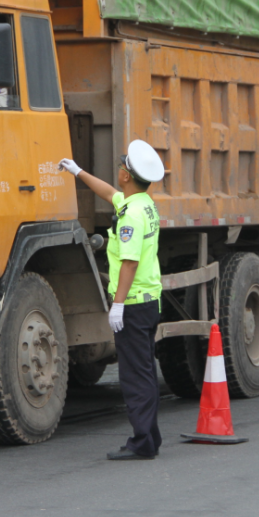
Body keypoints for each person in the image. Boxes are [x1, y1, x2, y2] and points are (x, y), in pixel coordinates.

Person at [58, 140, 165, 460]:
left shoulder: (131, 215)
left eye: (122, 167)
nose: (118, 170)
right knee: (144, 371)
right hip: (149, 301)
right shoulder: (143, 203)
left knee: (134, 376)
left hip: (132, 303)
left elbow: (129, 263)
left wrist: (117, 305)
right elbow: (108, 193)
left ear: (128, 176)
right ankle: (151, 438)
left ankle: (143, 442)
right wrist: (78, 172)